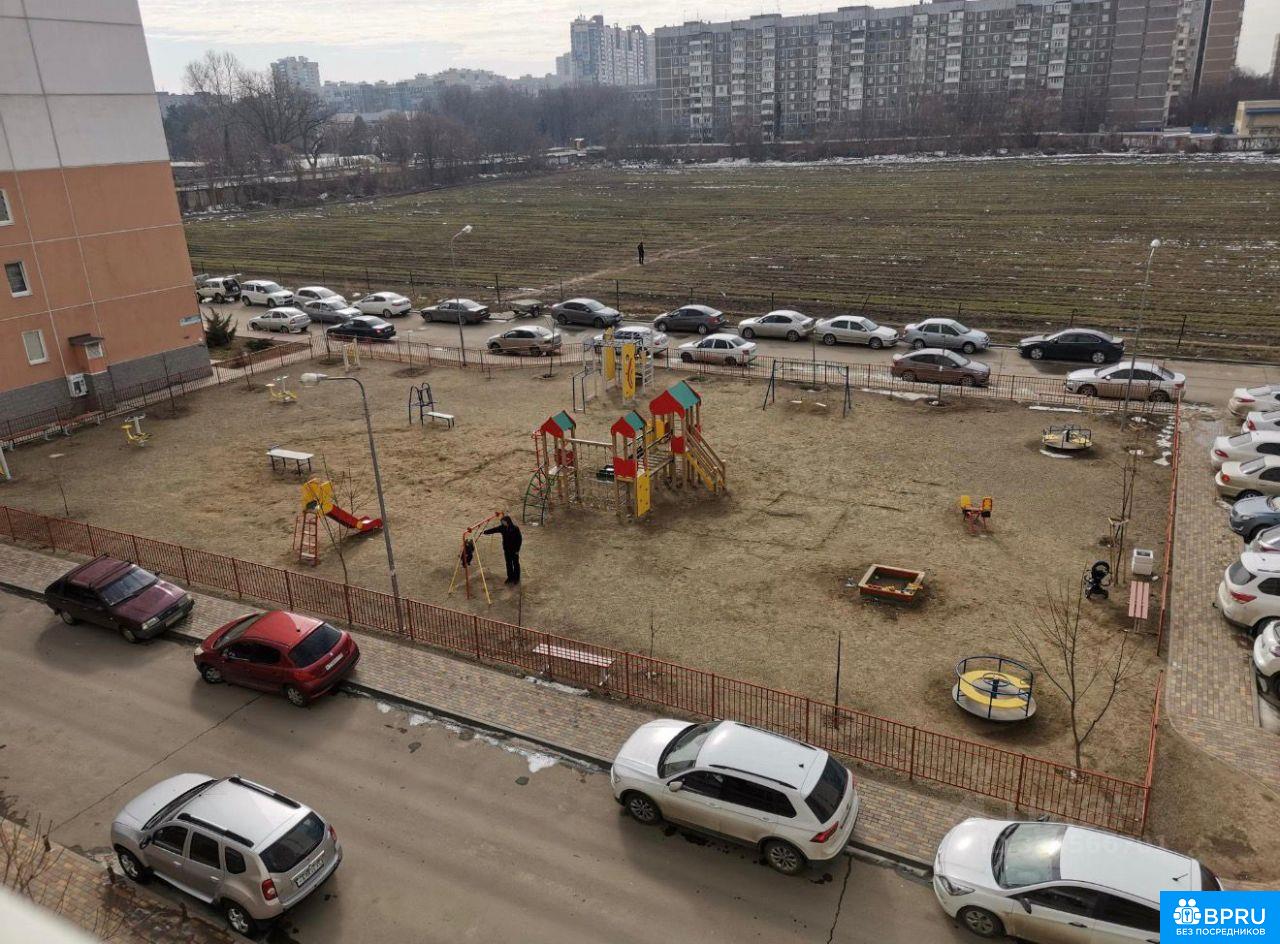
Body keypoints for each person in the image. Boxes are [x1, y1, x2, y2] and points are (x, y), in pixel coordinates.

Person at [483, 514, 523, 585]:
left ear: (508, 521)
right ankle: (510, 577)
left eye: (503, 521)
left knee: (515, 564)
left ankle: (516, 578)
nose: (502, 523)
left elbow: (519, 540)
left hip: (514, 550)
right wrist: (485, 532)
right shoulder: (502, 528)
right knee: (508, 564)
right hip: (506, 549)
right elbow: (494, 529)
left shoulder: (515, 529)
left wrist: (517, 550)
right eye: (502, 522)